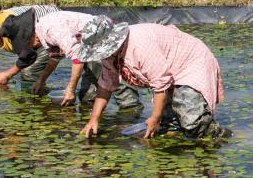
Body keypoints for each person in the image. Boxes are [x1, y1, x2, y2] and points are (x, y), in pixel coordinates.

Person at [77, 18, 224, 140]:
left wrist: (154, 118)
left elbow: (160, 84)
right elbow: (106, 86)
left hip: (191, 61)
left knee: (191, 119)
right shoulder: (110, 56)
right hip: (168, 68)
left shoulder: (140, 46)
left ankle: (216, 135)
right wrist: (94, 119)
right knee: (170, 125)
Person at [0, 6, 107, 99]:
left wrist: (70, 89)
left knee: (103, 88)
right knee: (87, 97)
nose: (29, 47)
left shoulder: (51, 30)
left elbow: (77, 58)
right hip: (88, 44)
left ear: (29, 35)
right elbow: (54, 58)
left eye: (27, 44)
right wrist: (41, 81)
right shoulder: (42, 34)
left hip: (102, 38)